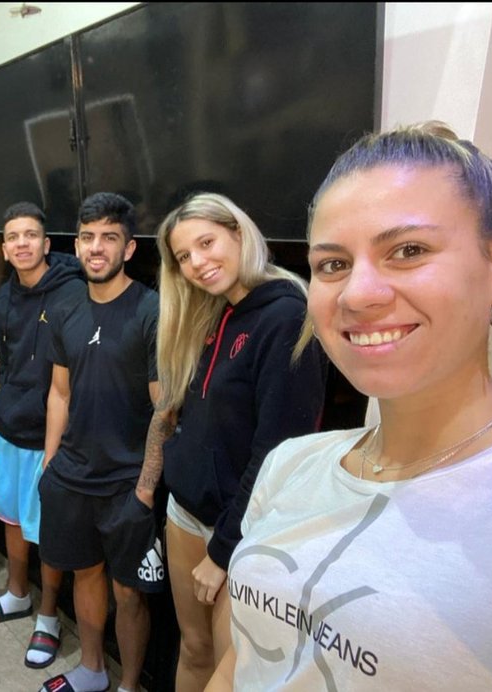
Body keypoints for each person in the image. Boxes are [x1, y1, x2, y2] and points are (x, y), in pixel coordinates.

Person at [205, 122, 492, 690]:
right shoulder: (292, 465)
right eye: (333, 264)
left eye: (408, 251)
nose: (358, 294)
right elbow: (243, 664)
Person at [135, 192, 327, 691]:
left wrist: (223, 551)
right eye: (184, 256)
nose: (197, 263)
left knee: (232, 674)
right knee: (193, 649)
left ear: (238, 233)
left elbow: (277, 453)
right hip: (185, 513)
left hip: (242, 534)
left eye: (207, 243)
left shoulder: (286, 316)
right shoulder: (213, 312)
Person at [38, 192, 162, 692]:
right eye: (88, 237)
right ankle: (92, 669)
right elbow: (59, 391)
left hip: (126, 482)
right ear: (76, 244)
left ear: (128, 249)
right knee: (85, 573)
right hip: (71, 474)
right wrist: (49, 461)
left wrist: (146, 489)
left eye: (109, 238)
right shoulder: (65, 306)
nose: (96, 247)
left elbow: (165, 410)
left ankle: (128, 684)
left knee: (128, 593)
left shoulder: (151, 310)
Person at [0, 202, 86, 670]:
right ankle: (17, 593)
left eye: (31, 235)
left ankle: (49, 616)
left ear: (46, 243)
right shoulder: (4, 296)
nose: (22, 244)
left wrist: (61, 442)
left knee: (48, 530)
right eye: (13, 237)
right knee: (13, 517)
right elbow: (10, 360)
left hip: (51, 437)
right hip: (9, 427)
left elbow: (73, 376)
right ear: (4, 248)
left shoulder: (72, 293)